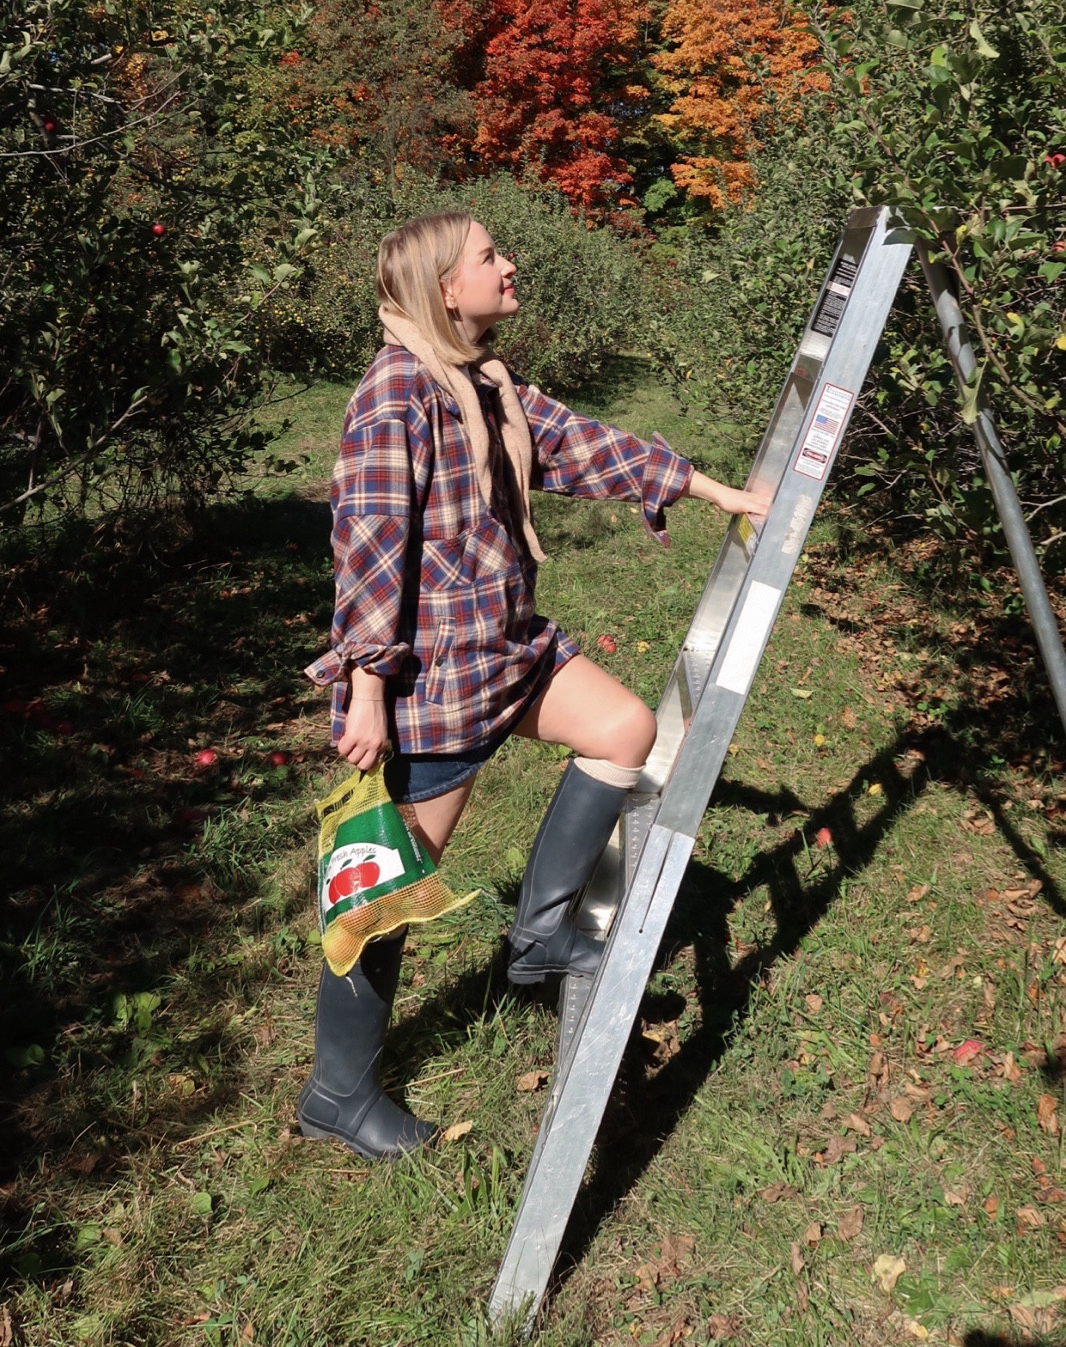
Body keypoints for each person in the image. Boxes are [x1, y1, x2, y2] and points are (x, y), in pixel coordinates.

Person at [296, 208, 767, 1159]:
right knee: (380, 895)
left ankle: (541, 934)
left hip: (507, 651)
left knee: (624, 728)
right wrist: (371, 686)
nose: (509, 267)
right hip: (435, 683)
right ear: (443, 290)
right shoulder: (398, 398)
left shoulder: (485, 383)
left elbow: (581, 445)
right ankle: (336, 1094)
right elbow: (371, 552)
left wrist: (709, 489)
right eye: (489, 257)